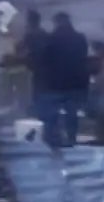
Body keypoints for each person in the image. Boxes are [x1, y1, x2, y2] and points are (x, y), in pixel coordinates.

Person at [35, 12, 90, 148]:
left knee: (51, 116)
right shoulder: (80, 38)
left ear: (57, 22)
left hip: (54, 85)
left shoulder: (51, 39)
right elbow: (83, 58)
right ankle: (71, 139)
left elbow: (43, 60)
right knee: (72, 114)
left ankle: (53, 142)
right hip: (75, 84)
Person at [19, 10, 49, 114]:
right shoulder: (44, 34)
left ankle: (38, 115)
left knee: (37, 96)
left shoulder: (31, 35)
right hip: (44, 71)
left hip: (35, 70)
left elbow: (20, 49)